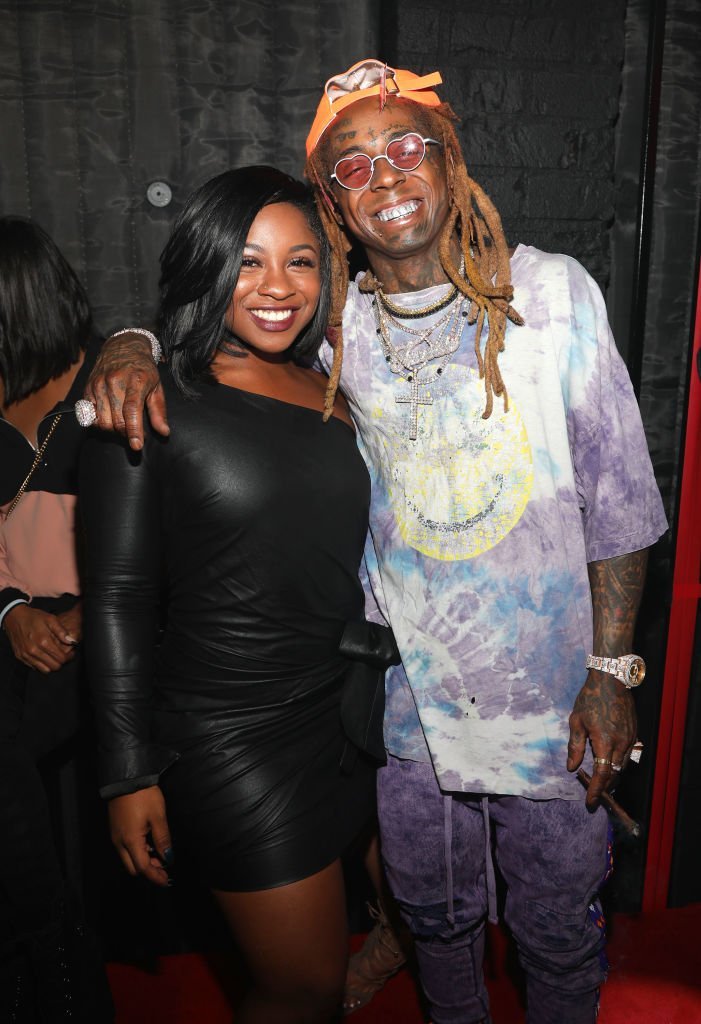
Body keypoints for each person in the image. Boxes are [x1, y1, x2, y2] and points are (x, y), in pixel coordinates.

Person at [80, 61, 668, 1024]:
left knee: (557, 935)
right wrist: (130, 341)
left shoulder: (552, 294)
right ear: (333, 204)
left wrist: (612, 673)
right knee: (434, 927)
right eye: (352, 165)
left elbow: (619, 499)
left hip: (551, 707)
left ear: (450, 161)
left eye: (406, 147)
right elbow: (226, 312)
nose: (385, 175)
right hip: (399, 721)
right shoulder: (333, 328)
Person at [79, 166, 396, 1024]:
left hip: (338, 716)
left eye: (300, 262)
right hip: (227, 737)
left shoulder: (331, 385)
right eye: (247, 262)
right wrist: (125, 774)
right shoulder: (147, 400)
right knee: (301, 988)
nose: (276, 288)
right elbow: (115, 601)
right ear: (205, 264)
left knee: (350, 955)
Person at [0, 216, 113, 1022]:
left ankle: (46, 964)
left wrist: (84, 615)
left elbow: (177, 542)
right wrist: (8, 611)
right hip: (8, 624)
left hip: (101, 628)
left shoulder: (109, 388)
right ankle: (52, 962)